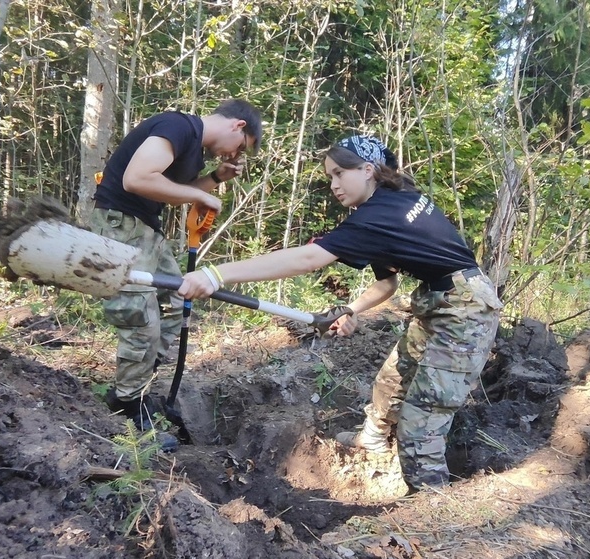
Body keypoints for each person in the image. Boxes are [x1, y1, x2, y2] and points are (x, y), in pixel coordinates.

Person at [178, 135, 502, 491]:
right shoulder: (393, 201)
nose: (333, 185)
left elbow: (308, 259)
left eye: (338, 174)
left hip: (466, 309)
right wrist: (350, 310)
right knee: (392, 380)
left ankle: (432, 500)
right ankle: (373, 440)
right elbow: (387, 285)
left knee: (424, 414)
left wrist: (216, 273)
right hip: (442, 301)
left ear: (367, 170)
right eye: (329, 177)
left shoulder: (378, 215)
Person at [90, 99, 262, 436]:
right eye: (241, 148)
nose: (233, 155)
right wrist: (205, 197)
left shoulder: (194, 147)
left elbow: (175, 192)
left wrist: (214, 178)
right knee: (139, 316)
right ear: (237, 126)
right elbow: (137, 178)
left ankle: (135, 384)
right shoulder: (178, 126)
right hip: (120, 226)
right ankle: (128, 406)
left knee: (175, 304)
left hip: (146, 230)